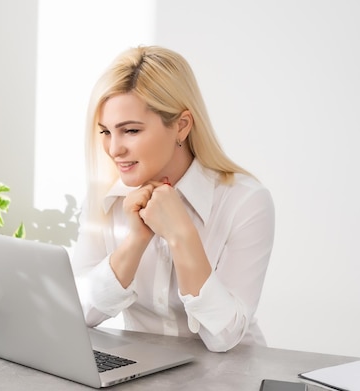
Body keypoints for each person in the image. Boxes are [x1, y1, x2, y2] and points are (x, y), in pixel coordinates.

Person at [70, 45, 275, 353]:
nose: (114, 149)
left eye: (130, 131)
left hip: (234, 376)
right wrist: (134, 242)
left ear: (181, 125)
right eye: (106, 132)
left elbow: (224, 337)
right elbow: (78, 310)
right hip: (145, 371)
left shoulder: (245, 202)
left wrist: (181, 235)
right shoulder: (104, 199)